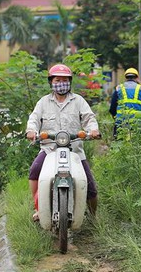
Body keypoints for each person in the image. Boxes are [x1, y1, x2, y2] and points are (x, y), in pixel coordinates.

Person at [25, 63, 101, 223]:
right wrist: (31, 131)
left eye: (65, 80)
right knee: (34, 170)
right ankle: (38, 208)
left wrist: (93, 130)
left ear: (70, 82)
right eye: (57, 80)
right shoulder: (43, 102)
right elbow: (34, 118)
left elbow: (89, 117)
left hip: (75, 151)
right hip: (49, 150)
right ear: (51, 82)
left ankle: (93, 218)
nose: (61, 83)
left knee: (90, 186)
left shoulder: (78, 101)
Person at [109, 67, 141, 138]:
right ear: (136, 78)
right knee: (136, 144)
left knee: (118, 144)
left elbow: (112, 108)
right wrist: (140, 84)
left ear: (125, 78)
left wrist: (115, 117)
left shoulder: (119, 88)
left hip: (121, 122)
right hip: (136, 123)